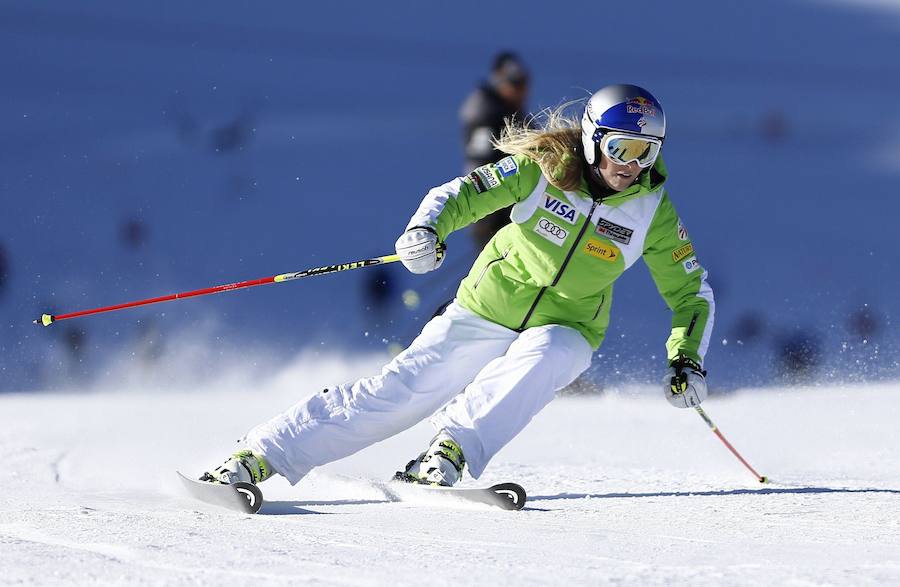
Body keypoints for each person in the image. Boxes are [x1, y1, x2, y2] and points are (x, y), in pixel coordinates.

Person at [202, 84, 715, 489]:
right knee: (401, 392)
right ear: (592, 138)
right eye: (622, 147)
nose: (631, 165)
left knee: (551, 355)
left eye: (646, 152)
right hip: (488, 305)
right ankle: (259, 456)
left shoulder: (652, 211)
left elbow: (690, 293)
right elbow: (462, 194)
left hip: (571, 321)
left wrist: (685, 358)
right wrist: (425, 231)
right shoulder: (543, 171)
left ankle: (448, 453)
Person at [461, 52, 531, 249]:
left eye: (524, 83)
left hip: (512, 205)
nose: (522, 90)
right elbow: (480, 163)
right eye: (514, 84)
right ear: (499, 82)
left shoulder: (512, 111)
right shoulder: (487, 115)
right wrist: (489, 213)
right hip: (493, 210)